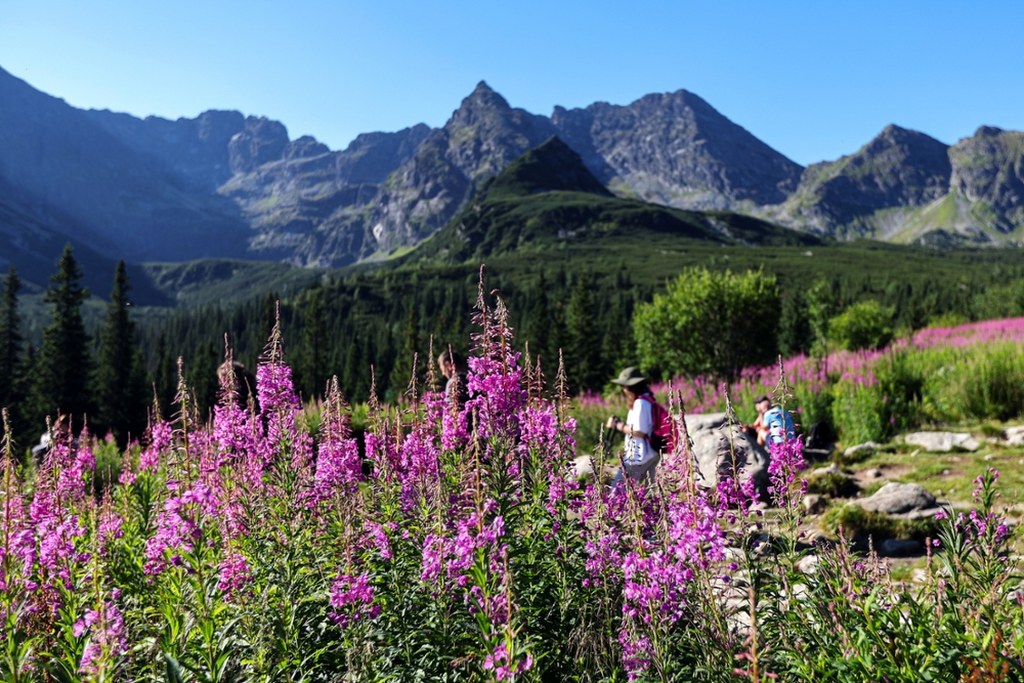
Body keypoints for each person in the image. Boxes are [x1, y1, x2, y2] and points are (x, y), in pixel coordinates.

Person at [605, 367, 662, 486]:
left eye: (624, 386)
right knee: (647, 492)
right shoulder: (648, 399)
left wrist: (618, 426)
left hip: (639, 456)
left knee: (617, 489)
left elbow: (639, 431)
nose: (623, 390)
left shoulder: (640, 403)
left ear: (631, 387)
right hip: (651, 454)